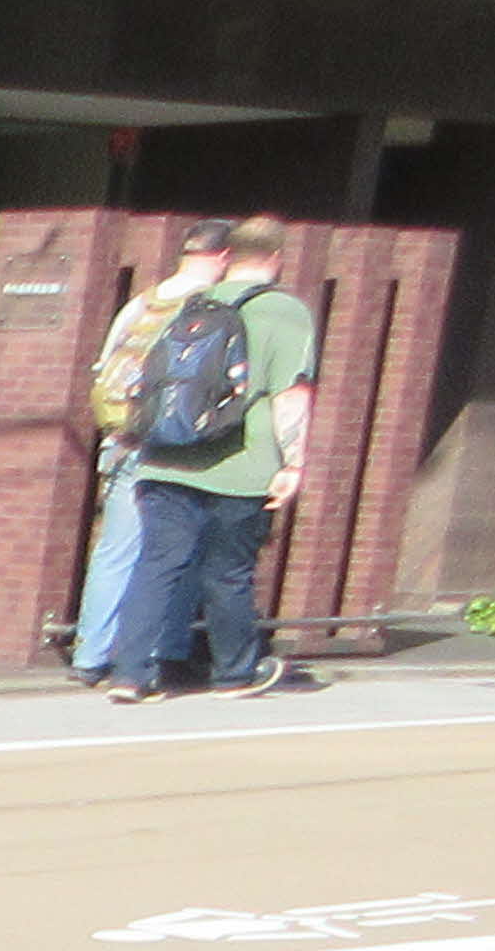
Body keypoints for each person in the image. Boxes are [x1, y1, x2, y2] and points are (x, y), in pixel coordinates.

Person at [105, 211, 321, 701]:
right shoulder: (285, 311)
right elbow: (291, 394)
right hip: (240, 464)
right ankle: (234, 674)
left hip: (166, 457)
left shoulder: (192, 304)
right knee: (228, 572)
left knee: (156, 566)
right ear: (276, 257)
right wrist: (292, 463)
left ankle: (130, 675)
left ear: (229, 257)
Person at [70, 223, 227, 675]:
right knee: (178, 552)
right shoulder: (214, 309)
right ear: (223, 257)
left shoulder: (143, 304)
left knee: (116, 551)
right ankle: (163, 651)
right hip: (181, 447)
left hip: (124, 441)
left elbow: (104, 368)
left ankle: (90, 655)